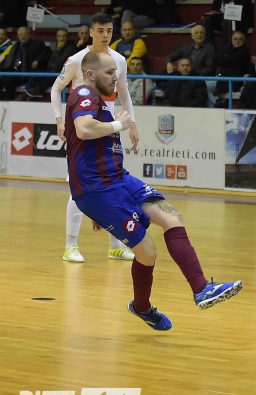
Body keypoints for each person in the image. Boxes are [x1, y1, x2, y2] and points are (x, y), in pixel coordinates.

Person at [64, 51, 243, 330]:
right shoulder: (84, 92)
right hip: (98, 190)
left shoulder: (98, 100)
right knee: (147, 253)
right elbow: (84, 130)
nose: (115, 77)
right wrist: (120, 124)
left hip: (119, 179)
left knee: (171, 217)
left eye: (116, 72)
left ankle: (202, 289)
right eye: (109, 72)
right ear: (89, 74)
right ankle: (141, 307)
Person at [51, 12, 138, 263]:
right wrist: (59, 119)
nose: (105, 35)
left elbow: (124, 93)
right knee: (77, 188)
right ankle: (70, 246)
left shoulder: (119, 59)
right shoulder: (76, 60)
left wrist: (132, 123)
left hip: (108, 129)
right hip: (83, 129)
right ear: (91, 32)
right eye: (100, 30)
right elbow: (56, 89)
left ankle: (115, 246)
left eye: (109, 30)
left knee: (113, 185)